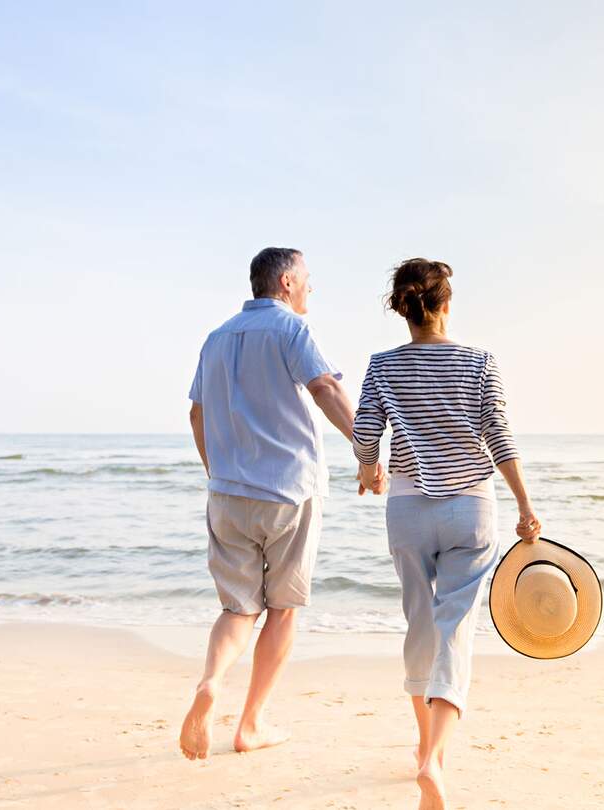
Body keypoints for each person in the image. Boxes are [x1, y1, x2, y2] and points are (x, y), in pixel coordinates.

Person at [352, 258, 543, 810]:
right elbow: (498, 434)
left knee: (420, 622)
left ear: (401, 309)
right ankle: (435, 757)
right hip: (470, 510)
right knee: (455, 627)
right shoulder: (479, 362)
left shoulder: (382, 365)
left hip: (409, 508)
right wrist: (525, 503)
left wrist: (368, 466)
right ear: (446, 304)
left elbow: (366, 429)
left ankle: (421, 749)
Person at [179, 247, 358, 760]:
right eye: (306, 280)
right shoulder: (291, 331)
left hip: (228, 493)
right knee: (281, 610)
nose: (310, 289)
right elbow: (324, 387)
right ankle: (250, 724)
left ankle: (211, 681)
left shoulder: (215, 339)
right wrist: (365, 448)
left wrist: (219, 473)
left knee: (238, 609)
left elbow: (197, 414)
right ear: (285, 282)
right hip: (288, 491)